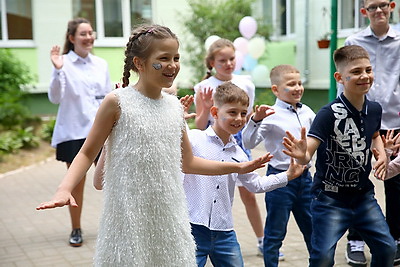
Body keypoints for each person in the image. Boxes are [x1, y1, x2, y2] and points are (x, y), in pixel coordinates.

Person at [37, 24, 272, 266]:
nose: (172, 65)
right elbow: (87, 152)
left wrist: (238, 167)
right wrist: (64, 188)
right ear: (139, 63)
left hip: (170, 219)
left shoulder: (174, 108)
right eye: (164, 58)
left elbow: (188, 162)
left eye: (176, 58)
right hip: (128, 217)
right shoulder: (117, 102)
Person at [283, 45, 397, 267]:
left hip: (363, 196)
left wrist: (382, 154)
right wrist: (302, 156)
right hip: (329, 200)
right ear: (340, 77)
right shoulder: (328, 113)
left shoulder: (374, 109)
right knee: (323, 259)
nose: (364, 76)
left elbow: (374, 135)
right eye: (355, 72)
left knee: (387, 248)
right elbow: (308, 153)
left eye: (368, 70)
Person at [183, 81, 305, 267]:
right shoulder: (195, 139)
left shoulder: (239, 154)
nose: (239, 119)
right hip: (192, 228)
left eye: (243, 113)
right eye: (232, 112)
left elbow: (256, 185)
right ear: (215, 113)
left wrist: (287, 175)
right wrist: (178, 122)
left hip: (224, 231)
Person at [338, 1, 400, 265]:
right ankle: (355, 240)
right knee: (357, 177)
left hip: (396, 118)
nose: (378, 11)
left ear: (392, 6)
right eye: (372, 7)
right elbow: (348, 78)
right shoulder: (354, 40)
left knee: (396, 182)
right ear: (364, 12)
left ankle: (395, 239)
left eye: (383, 5)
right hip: (364, 116)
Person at [194, 38, 265, 256]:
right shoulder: (203, 87)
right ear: (212, 63)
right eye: (222, 60)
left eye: (231, 58)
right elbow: (198, 123)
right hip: (212, 146)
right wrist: (205, 108)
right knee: (211, 193)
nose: (228, 63)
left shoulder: (246, 83)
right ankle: (206, 239)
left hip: (239, 145)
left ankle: (262, 239)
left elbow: (246, 115)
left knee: (249, 194)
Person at [47, 17, 112, 247]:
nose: (88, 37)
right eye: (83, 34)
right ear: (72, 38)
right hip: (74, 131)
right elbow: (55, 97)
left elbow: (107, 99)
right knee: (76, 185)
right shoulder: (62, 62)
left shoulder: (101, 64)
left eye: (91, 33)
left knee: (111, 181)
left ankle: (115, 228)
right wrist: (57, 71)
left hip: (99, 131)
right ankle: (76, 228)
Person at [242, 64, 315, 266]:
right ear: (275, 89)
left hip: (306, 180)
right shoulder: (270, 115)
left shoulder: (308, 112)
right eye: (291, 84)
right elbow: (248, 143)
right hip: (280, 180)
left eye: (300, 83)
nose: (298, 87)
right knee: (275, 233)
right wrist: (256, 119)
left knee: (313, 230)